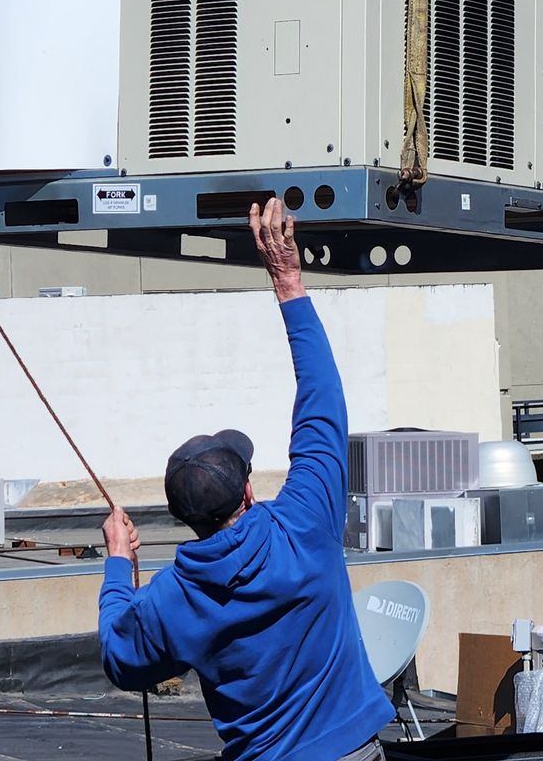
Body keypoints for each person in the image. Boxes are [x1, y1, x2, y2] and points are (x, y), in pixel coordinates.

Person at [98, 198, 394, 761]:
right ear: (249, 491)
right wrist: (287, 282)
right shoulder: (304, 523)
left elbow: (119, 654)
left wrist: (117, 564)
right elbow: (322, 402)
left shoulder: (174, 598)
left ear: (185, 519)